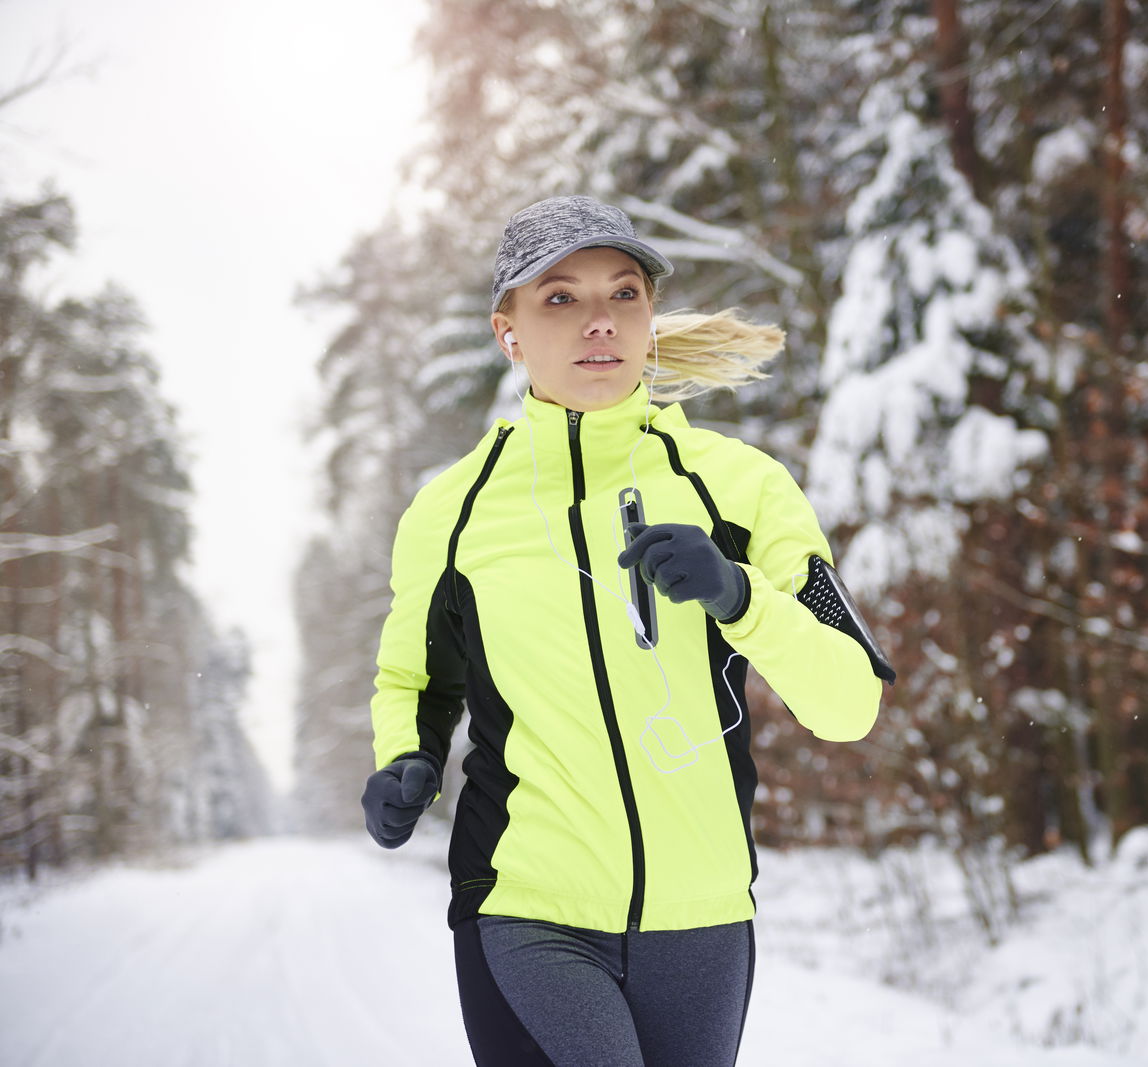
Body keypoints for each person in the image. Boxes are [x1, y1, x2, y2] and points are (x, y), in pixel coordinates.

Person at [360, 195, 895, 1067]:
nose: (599, 320)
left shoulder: (742, 488)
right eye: (561, 298)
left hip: (703, 919)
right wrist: (402, 762)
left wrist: (740, 596)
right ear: (510, 332)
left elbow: (851, 703)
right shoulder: (451, 512)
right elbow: (418, 680)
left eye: (624, 294)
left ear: (649, 318)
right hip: (524, 900)